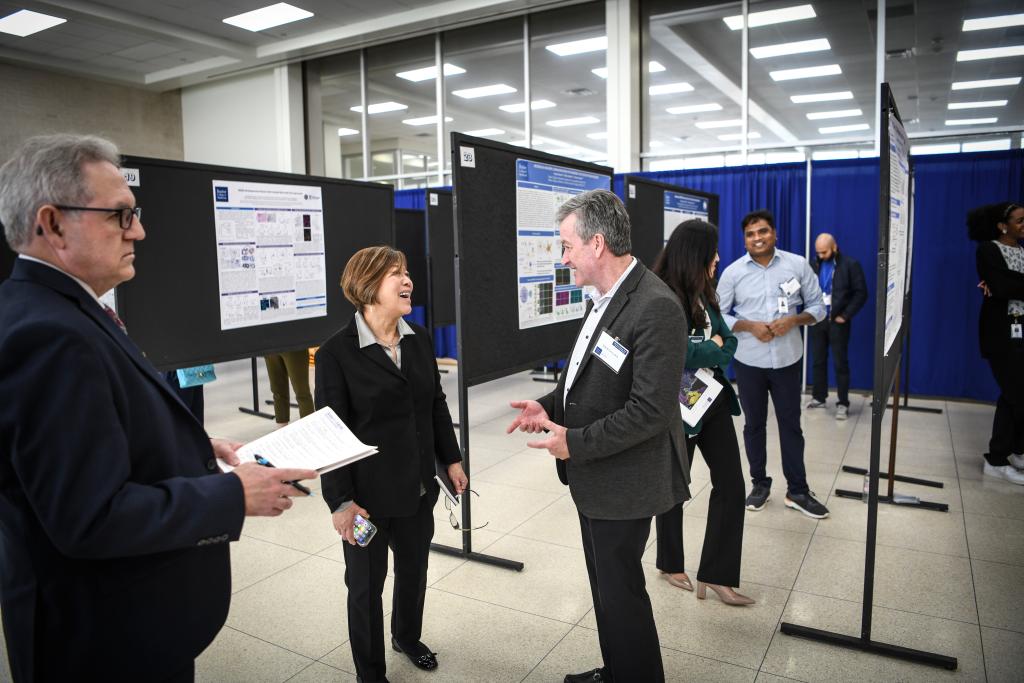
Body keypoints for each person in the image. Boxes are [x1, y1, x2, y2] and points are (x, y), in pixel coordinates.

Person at [0, 134, 317, 682]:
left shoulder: (62, 310)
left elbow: (97, 437)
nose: (139, 231)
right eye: (120, 216)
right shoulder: (51, 335)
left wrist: (196, 446)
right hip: (104, 643)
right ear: (51, 224)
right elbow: (88, 518)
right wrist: (231, 494)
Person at [507, 189, 689, 683]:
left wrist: (573, 443)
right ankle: (618, 671)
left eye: (567, 246)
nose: (562, 257)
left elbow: (650, 411)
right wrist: (545, 407)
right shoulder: (604, 299)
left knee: (622, 592)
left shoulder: (655, 307)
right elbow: (584, 376)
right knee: (607, 588)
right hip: (596, 476)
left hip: (625, 480)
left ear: (597, 244)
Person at [314, 246, 467, 683]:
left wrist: (451, 460)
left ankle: (406, 637)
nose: (408, 281)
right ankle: (371, 672)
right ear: (366, 286)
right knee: (364, 589)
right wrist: (340, 502)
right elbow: (331, 434)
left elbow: (435, 404)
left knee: (414, 572)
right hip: (366, 500)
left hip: (418, 489)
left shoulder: (417, 338)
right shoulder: (335, 354)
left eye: (407, 273)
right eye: (396, 274)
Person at [652, 219, 753, 606]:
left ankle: (718, 574)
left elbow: (728, 341)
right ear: (696, 253)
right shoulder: (661, 296)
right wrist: (707, 348)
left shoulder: (705, 292)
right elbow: (676, 351)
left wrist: (710, 346)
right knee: (674, 485)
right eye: (713, 251)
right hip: (674, 406)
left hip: (710, 402)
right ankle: (669, 561)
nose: (718, 258)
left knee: (731, 484)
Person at [717, 209, 830, 519]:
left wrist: (795, 319)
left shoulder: (797, 265)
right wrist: (748, 326)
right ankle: (759, 484)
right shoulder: (733, 273)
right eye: (751, 234)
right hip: (749, 361)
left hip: (787, 360)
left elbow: (818, 307)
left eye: (763, 231)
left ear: (774, 233)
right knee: (753, 425)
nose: (758, 238)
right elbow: (719, 316)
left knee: (791, 426)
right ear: (744, 240)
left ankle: (797, 490)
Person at [968, 201, 1024, 485]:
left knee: (1014, 394)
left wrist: (1009, 282)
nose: (1023, 225)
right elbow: (1001, 287)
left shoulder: (1022, 251)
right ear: (1003, 225)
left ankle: (1014, 451)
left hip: (1021, 334)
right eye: (1019, 221)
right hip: (1000, 335)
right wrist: (1005, 284)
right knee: (1016, 394)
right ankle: (996, 459)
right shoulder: (988, 250)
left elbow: (1006, 285)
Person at [807, 233, 867, 421]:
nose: (821, 256)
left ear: (834, 248)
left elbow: (861, 293)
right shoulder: (813, 264)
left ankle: (843, 403)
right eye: (818, 252)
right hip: (818, 320)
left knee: (840, 363)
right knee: (818, 361)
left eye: (824, 252)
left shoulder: (850, 265)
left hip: (838, 321)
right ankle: (819, 397)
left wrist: (846, 315)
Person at [264, 348, 314, 426]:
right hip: (270, 346)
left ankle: (309, 428)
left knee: (302, 393)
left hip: (293, 345)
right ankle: (281, 429)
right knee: (277, 391)